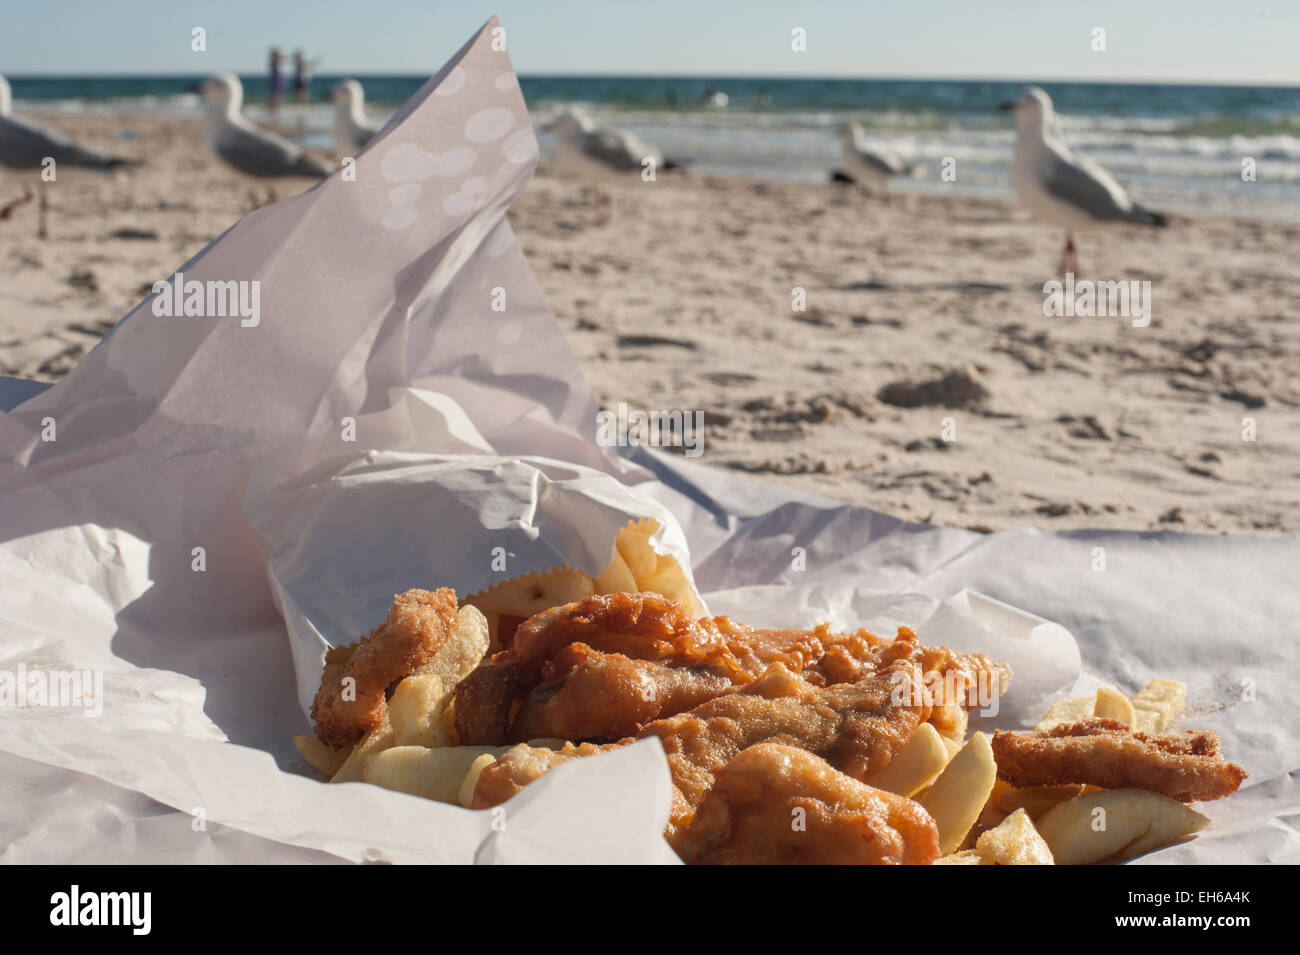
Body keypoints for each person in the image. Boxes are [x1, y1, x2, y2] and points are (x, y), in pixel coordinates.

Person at [268, 48, 284, 113]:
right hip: (276, 78)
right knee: (275, 93)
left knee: (277, 92)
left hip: (277, 77)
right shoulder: (273, 60)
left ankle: (276, 106)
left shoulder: (274, 60)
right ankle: (273, 106)